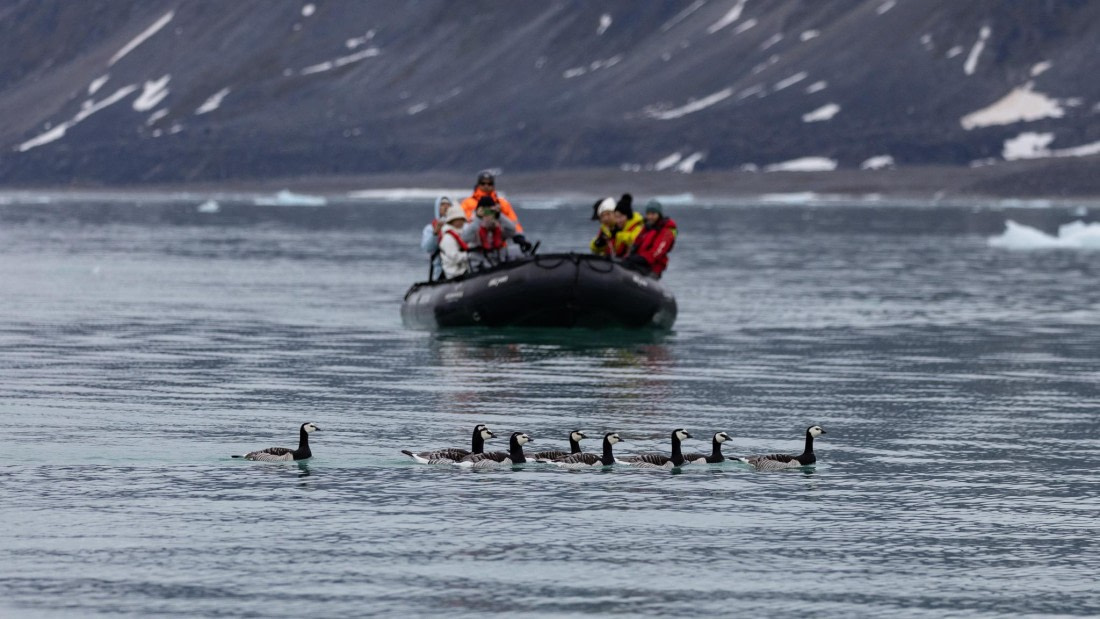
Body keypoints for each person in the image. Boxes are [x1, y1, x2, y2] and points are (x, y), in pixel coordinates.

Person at [460, 171, 532, 252]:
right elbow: (461, 227)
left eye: (489, 184)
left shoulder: (502, 204)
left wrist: (519, 237)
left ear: (493, 185)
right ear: (478, 184)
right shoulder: (466, 203)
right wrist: (478, 218)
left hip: (498, 244)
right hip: (475, 244)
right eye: (483, 183)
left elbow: (514, 224)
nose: (486, 186)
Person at [462, 195, 521, 270]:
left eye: (490, 211)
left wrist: (499, 215)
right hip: (480, 266)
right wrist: (478, 219)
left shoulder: (499, 225)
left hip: (499, 263)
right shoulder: (472, 225)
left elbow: (512, 230)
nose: (488, 214)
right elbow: (465, 238)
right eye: (485, 211)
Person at [625, 199, 678, 278]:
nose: (650, 217)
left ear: (659, 214)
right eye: (648, 214)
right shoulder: (646, 228)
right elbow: (636, 243)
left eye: (653, 214)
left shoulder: (666, 231)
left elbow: (657, 252)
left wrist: (640, 258)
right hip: (638, 264)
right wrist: (629, 256)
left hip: (653, 268)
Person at [437, 204, 471, 279]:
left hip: (464, 269)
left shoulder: (461, 233)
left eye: (461, 219)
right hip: (454, 272)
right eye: (457, 219)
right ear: (451, 221)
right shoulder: (447, 238)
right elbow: (454, 257)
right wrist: (471, 255)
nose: (460, 222)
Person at [421, 196, 453, 274]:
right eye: (442, 204)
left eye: (448, 205)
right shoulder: (430, 228)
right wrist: (435, 233)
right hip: (440, 268)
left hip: (457, 264)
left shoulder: (459, 225)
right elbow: (427, 248)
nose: (446, 207)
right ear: (437, 208)